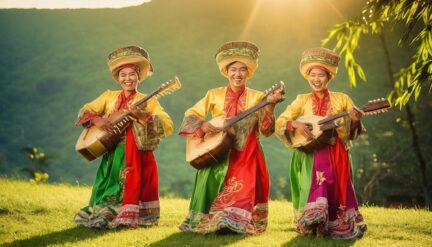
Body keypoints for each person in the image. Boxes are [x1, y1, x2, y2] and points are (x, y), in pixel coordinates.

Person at [178, 41, 284, 234]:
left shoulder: (259, 97)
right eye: (233, 69)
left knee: (241, 185)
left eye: (242, 70)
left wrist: (270, 106)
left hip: (247, 151)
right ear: (226, 72)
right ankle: (212, 220)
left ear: (248, 73)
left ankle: (232, 220)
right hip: (217, 148)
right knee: (210, 179)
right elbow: (191, 114)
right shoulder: (214, 94)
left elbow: (267, 131)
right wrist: (203, 124)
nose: (238, 74)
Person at [74, 45, 173, 228]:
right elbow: (85, 110)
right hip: (111, 150)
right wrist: (97, 121)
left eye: (131, 74)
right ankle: (105, 211)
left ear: (138, 77)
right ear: (118, 78)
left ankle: (127, 214)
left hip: (135, 152)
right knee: (109, 181)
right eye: (123, 75)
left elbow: (167, 124)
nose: (127, 79)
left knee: (131, 181)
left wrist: (143, 117)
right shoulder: (108, 96)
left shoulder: (148, 100)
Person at [275, 47, 367, 239]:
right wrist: (296, 123)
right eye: (312, 75)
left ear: (328, 77)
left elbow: (353, 132)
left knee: (333, 185)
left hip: (335, 152)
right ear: (308, 77)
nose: (316, 79)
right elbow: (281, 121)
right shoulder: (302, 99)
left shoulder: (342, 99)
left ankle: (333, 224)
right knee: (314, 185)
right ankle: (315, 225)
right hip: (309, 153)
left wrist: (356, 119)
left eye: (321, 75)